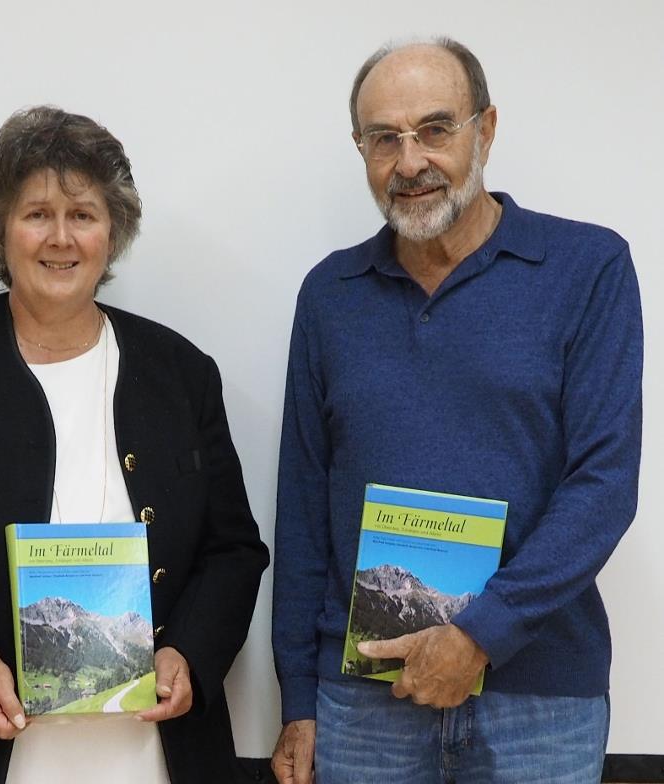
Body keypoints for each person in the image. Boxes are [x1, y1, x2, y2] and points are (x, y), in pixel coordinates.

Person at [0, 105, 269, 784]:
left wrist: (189, 651)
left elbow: (233, 551)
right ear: (0, 229)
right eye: (37, 213)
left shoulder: (180, 370)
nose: (60, 238)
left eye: (84, 215)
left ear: (113, 232)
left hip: (146, 752)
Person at [270, 38, 642, 784]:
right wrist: (298, 700)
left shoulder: (588, 270)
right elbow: (305, 506)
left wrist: (478, 636)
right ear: (361, 149)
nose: (409, 163)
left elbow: (603, 487)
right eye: (384, 139)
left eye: (435, 129)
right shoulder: (330, 297)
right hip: (364, 700)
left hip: (539, 702)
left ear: (487, 129)